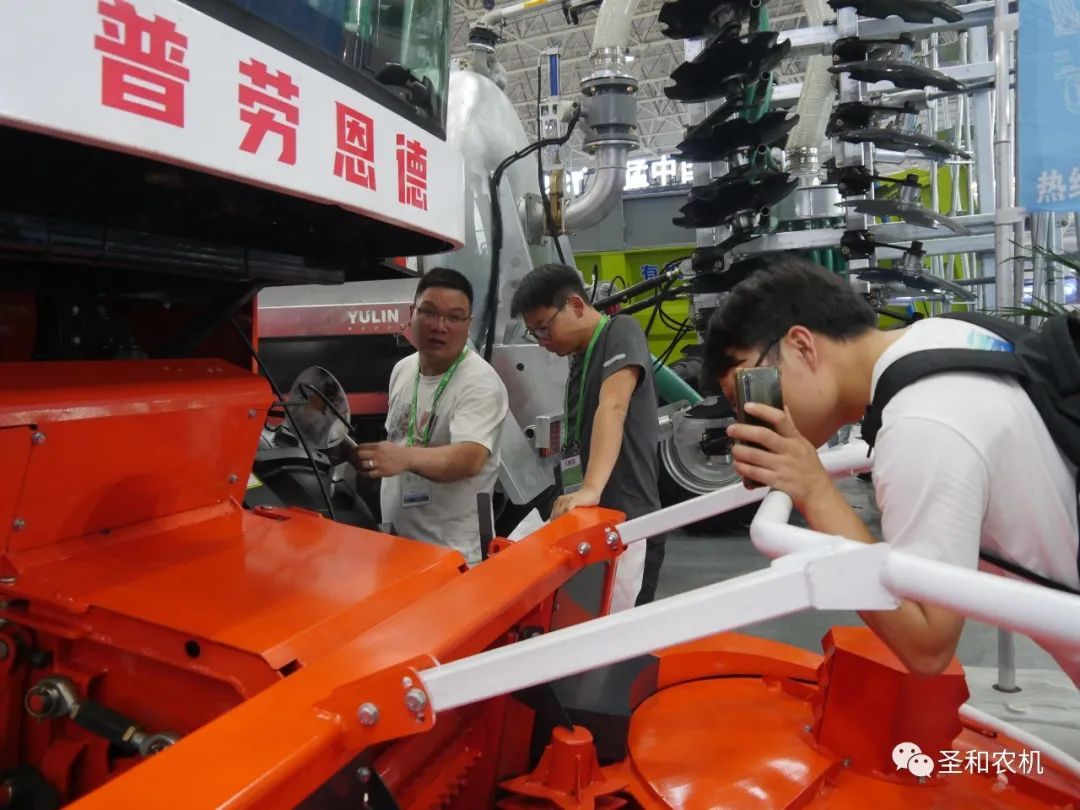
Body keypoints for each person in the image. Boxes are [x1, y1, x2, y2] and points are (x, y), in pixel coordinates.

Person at [702, 255, 1080, 686]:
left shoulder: (921, 423)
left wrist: (814, 491)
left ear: (802, 346)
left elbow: (926, 643)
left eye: (748, 391)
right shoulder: (947, 336)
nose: (747, 417)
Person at [511, 263, 663, 611]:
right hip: (594, 522)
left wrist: (591, 488)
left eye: (545, 328)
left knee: (623, 632)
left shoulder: (621, 331)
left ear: (576, 305)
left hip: (628, 522)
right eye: (534, 334)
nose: (543, 342)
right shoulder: (580, 356)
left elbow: (613, 406)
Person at [354, 268, 509, 566]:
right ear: (412, 313)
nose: (439, 326)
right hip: (399, 545)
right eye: (429, 312)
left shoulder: (480, 384)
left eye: (454, 317)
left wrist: (406, 458)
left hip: (453, 556)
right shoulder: (403, 369)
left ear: (469, 324)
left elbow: (470, 458)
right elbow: (401, 437)